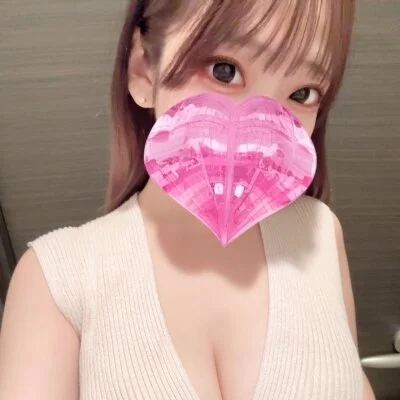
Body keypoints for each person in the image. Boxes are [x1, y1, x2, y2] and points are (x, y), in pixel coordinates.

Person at [0, 0, 376, 399]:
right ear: (144, 69)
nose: (261, 130)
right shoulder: (55, 278)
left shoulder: (320, 233)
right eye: (224, 71)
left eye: (303, 93)